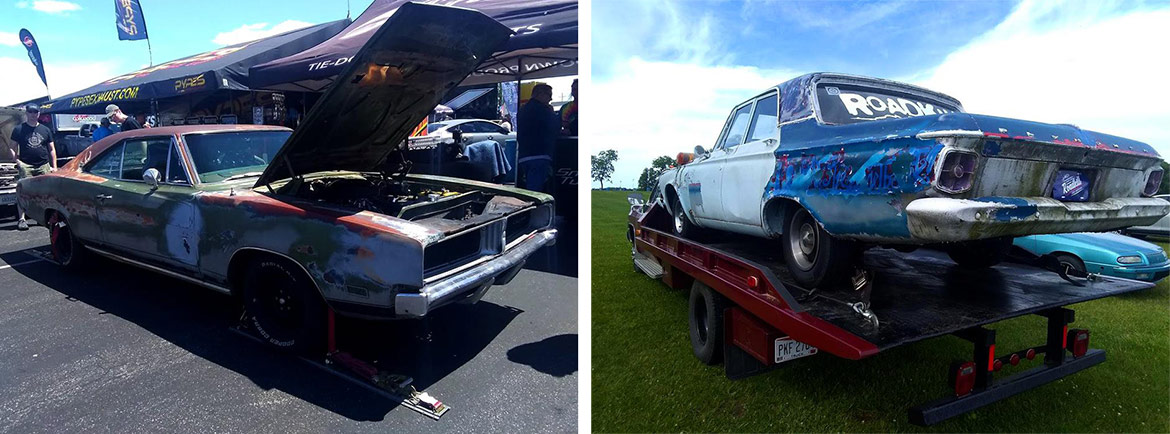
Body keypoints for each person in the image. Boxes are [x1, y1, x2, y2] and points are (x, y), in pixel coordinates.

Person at [7, 105, 57, 231]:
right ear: (27, 113)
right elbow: (12, 147)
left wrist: (54, 166)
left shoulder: (45, 130)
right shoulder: (19, 129)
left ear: (39, 114)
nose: (33, 114)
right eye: (31, 112)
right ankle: (22, 219)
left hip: (43, 165)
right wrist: (17, 161)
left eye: (36, 112)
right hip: (26, 165)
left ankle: (41, 218)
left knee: (44, 193)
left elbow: (52, 149)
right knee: (24, 193)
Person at [516, 83, 560, 193]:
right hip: (540, 155)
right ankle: (534, 210)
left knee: (528, 189)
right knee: (535, 193)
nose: (551, 98)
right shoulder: (544, 110)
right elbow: (556, 126)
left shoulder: (522, 110)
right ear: (540, 94)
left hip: (524, 155)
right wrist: (552, 113)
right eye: (549, 95)